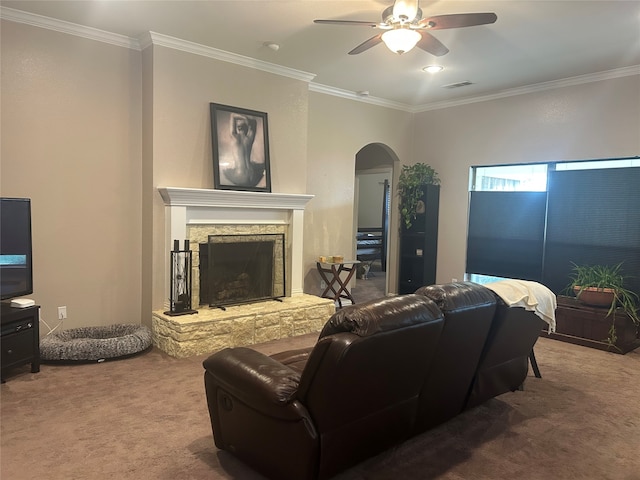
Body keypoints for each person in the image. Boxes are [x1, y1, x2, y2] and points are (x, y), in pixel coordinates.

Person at [223, 113, 265, 187]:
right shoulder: (249, 139)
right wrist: (247, 120)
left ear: (237, 129)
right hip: (252, 175)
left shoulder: (234, 138)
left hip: (240, 175)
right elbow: (254, 123)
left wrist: (244, 117)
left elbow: (232, 115)